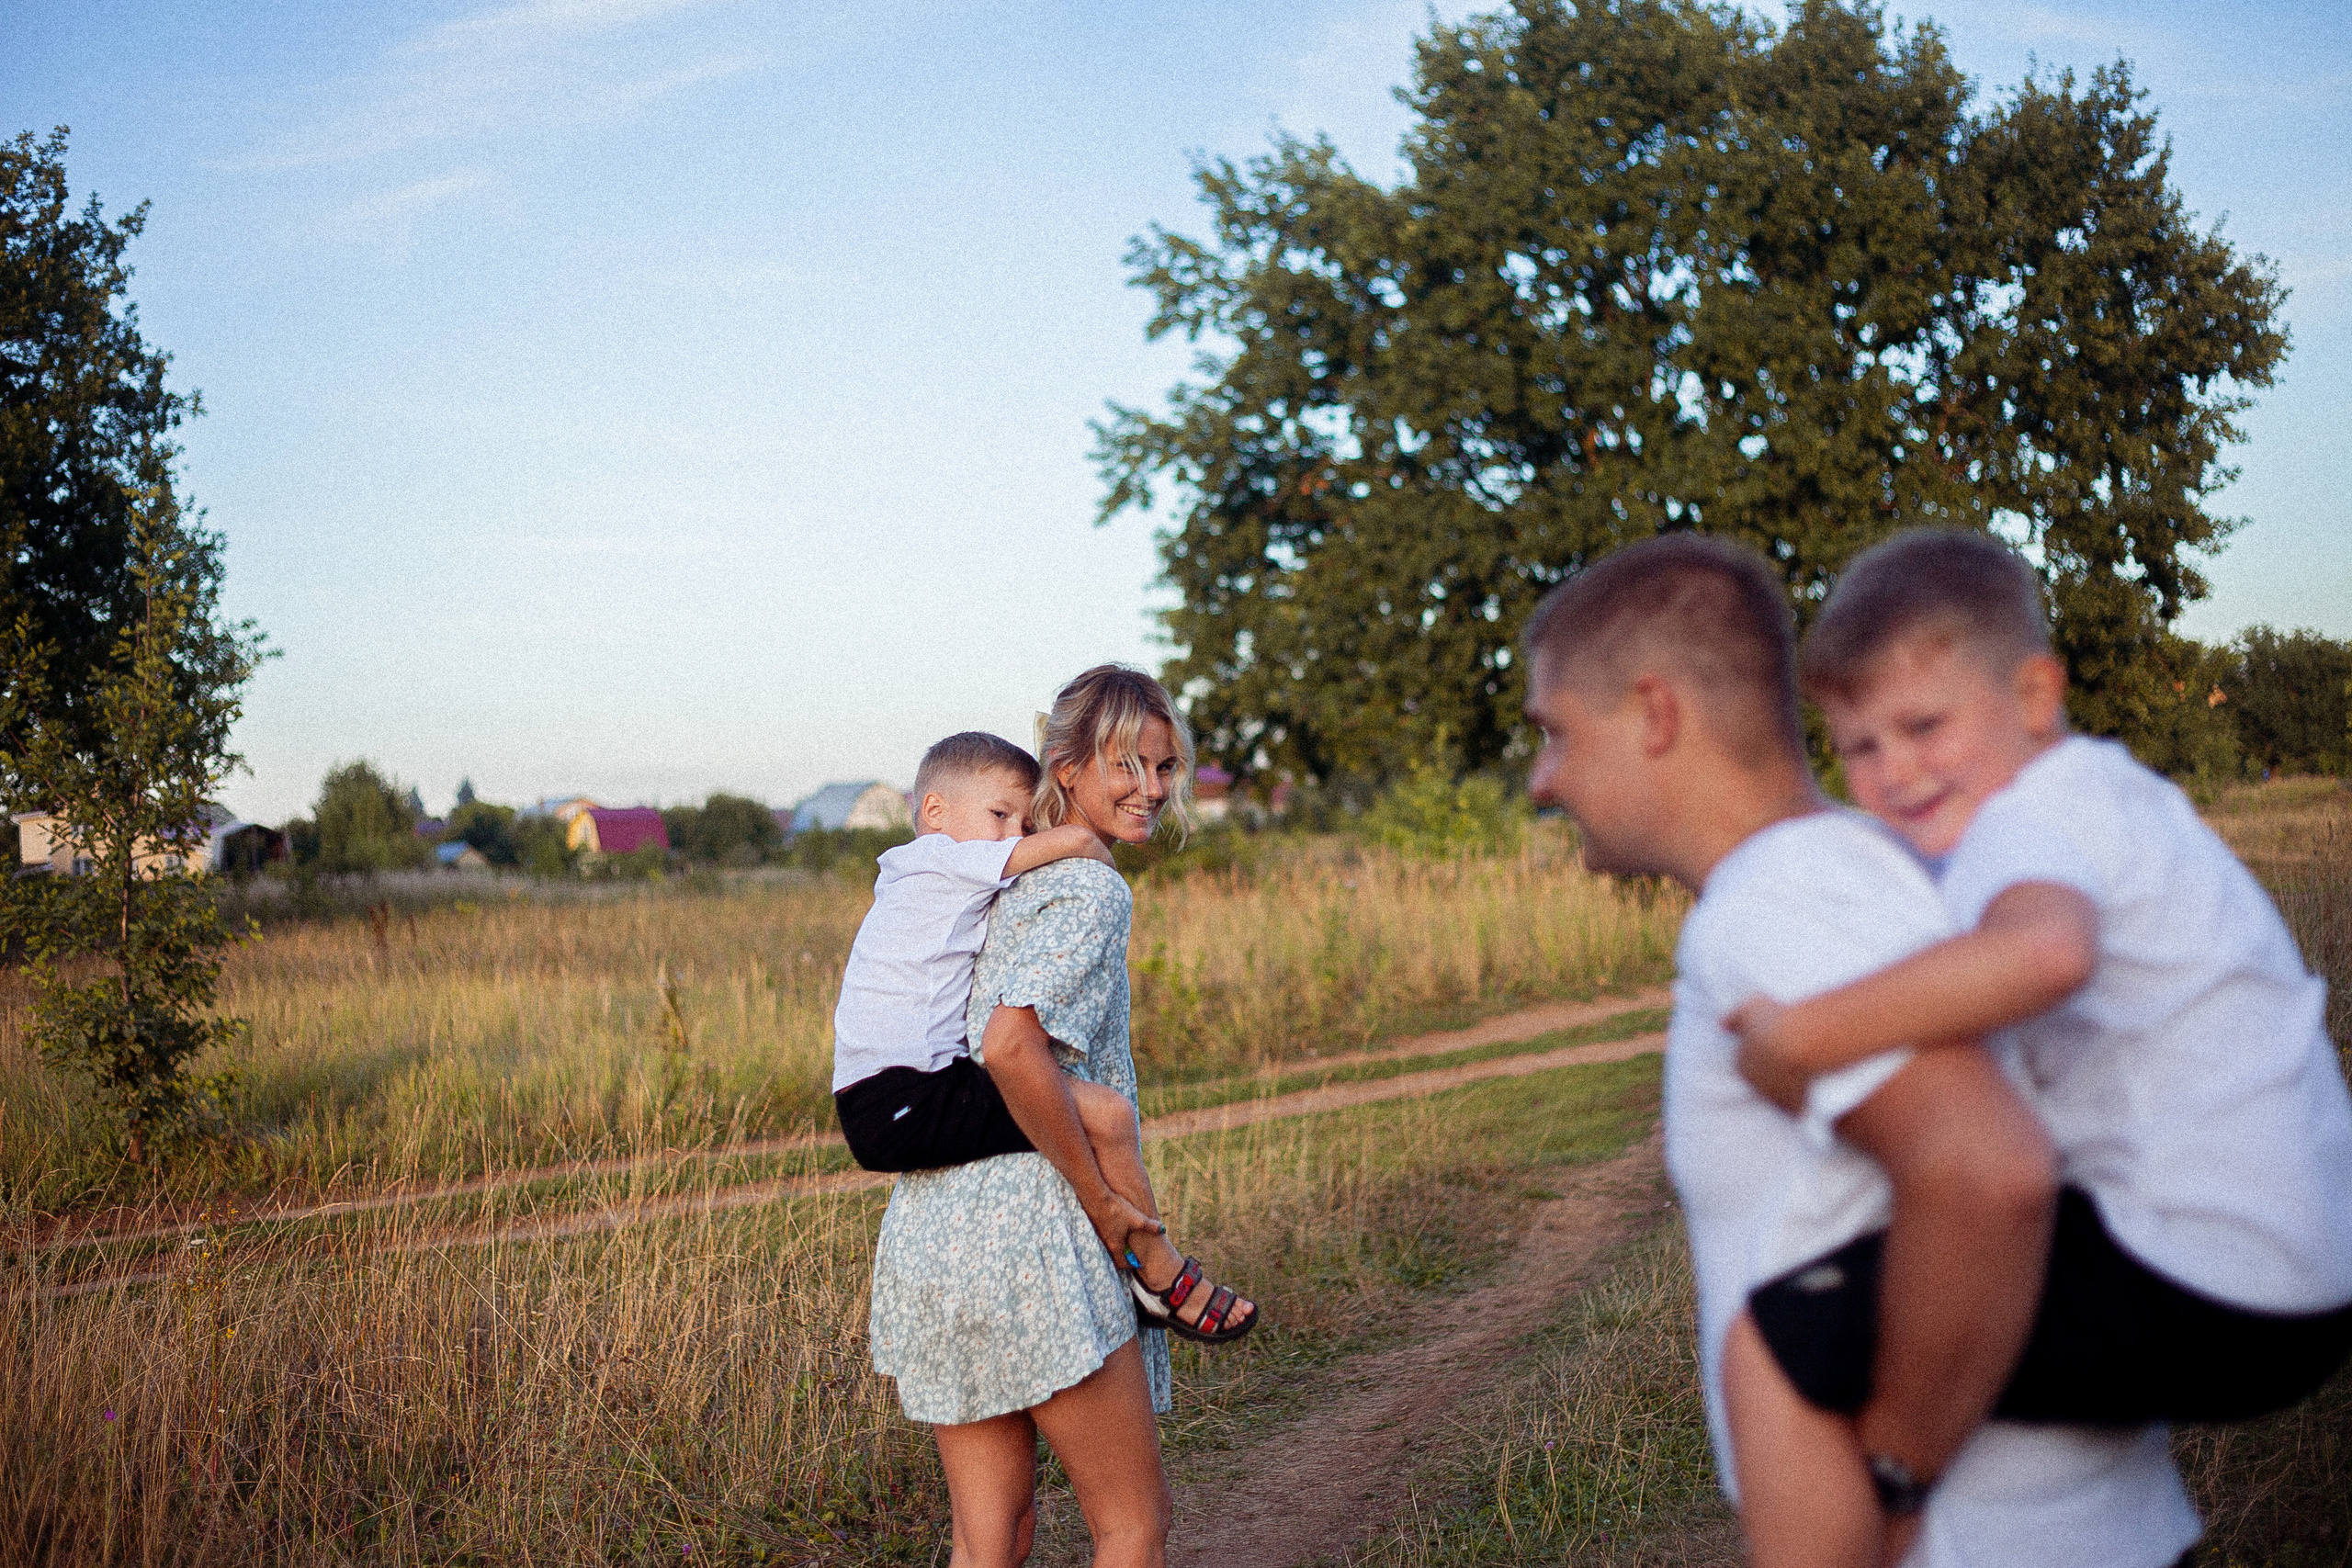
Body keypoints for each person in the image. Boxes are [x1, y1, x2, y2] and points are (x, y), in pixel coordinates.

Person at [1521, 535, 2199, 1568]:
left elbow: (1987, 1166)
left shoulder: (1775, 902)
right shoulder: (1853, 866)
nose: (1541, 779)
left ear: (1655, 713)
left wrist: (1893, 1473)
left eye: (1555, 733)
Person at [1723, 529, 2352, 1437]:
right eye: (1856, 747)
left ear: (2033, 694)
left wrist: (1801, 1036)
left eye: (1923, 726)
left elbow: (2044, 953)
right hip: (2301, 1269)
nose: (1892, 772)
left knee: (1796, 1318)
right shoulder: (2109, 794)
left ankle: (1897, 1489)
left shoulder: (2030, 822)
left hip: (2207, 1283)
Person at [865, 665, 1258, 1568]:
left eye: (1164, 768)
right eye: (1126, 764)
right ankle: (1160, 1266)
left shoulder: (982, 879)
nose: (1151, 789)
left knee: (988, 1534)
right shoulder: (1088, 889)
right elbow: (1010, 1045)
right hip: (1034, 1242)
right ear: (1066, 766)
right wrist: (1110, 1206)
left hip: (933, 1239)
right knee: (1130, 1526)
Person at [834, 728, 1255, 1344]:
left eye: (1023, 824)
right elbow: (1079, 838)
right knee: (1107, 1114)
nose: (1013, 836)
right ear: (933, 811)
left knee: (1082, 1114)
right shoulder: (942, 860)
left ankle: (1131, 1268)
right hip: (903, 1098)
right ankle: (1160, 1277)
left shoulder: (911, 875)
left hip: (887, 1098)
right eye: (1001, 815)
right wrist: (1098, 863)